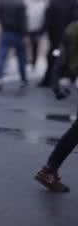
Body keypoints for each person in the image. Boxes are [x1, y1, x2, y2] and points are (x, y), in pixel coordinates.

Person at [35, 20, 78, 193]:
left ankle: (49, 169)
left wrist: (55, 83)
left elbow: (61, 58)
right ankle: (49, 170)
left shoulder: (73, 27)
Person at [40, 0, 78, 87]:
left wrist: (42, 33)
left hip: (57, 39)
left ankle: (50, 80)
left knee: (54, 59)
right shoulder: (72, 3)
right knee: (70, 57)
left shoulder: (52, 5)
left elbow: (47, 23)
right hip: (71, 37)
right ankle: (71, 77)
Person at [0, 0, 28, 90]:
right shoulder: (20, 3)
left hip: (5, 32)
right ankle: (23, 79)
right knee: (21, 58)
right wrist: (25, 34)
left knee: (1, 56)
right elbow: (23, 20)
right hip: (18, 33)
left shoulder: (0, 3)